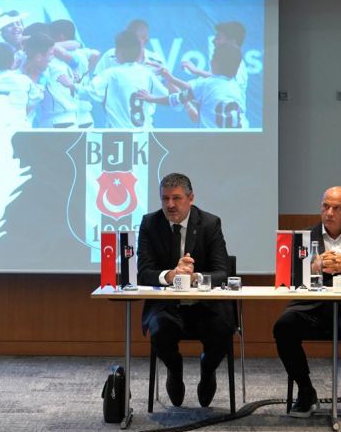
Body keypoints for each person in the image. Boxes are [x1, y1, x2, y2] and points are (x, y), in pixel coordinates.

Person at [273, 186, 341, 419]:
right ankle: (306, 391)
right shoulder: (305, 237)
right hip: (311, 309)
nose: (330, 213)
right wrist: (311, 267)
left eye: (337, 208)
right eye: (325, 206)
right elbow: (288, 281)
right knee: (283, 326)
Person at [136, 173, 233, 408]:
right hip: (167, 306)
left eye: (176, 198)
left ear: (191, 198)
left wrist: (195, 277)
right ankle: (174, 369)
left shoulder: (210, 223)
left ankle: (207, 370)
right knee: (159, 330)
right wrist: (171, 275)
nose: (170, 205)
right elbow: (143, 272)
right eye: (165, 198)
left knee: (222, 329)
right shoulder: (150, 224)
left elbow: (223, 272)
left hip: (205, 306)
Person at [89, 30, 169, 130]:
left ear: (119, 52)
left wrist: (74, 84)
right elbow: (167, 96)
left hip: (118, 133)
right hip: (145, 132)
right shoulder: (147, 73)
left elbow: (85, 92)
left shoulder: (111, 74)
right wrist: (152, 97)